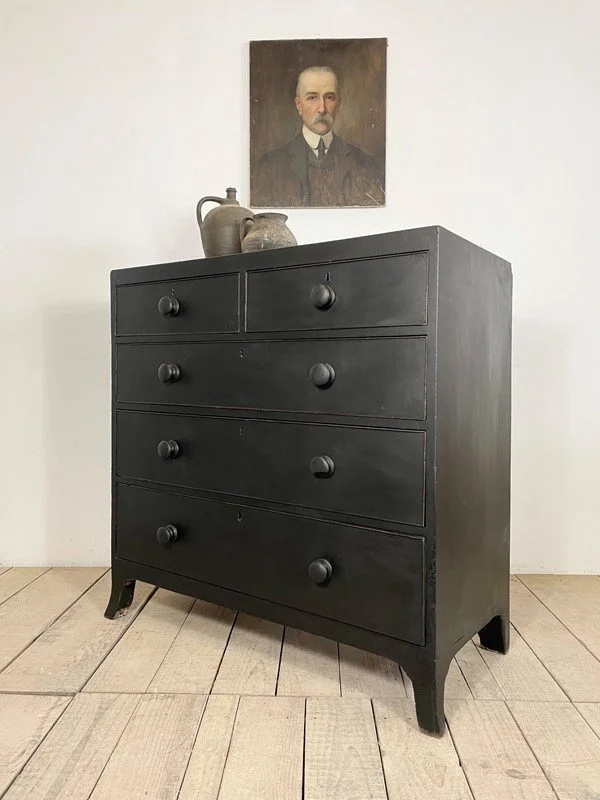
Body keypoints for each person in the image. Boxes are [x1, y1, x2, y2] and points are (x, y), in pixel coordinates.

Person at [251, 66, 385, 207]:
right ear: (298, 105)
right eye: (312, 97)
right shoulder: (268, 167)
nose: (322, 108)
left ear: (338, 104)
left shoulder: (366, 166)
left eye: (329, 97)